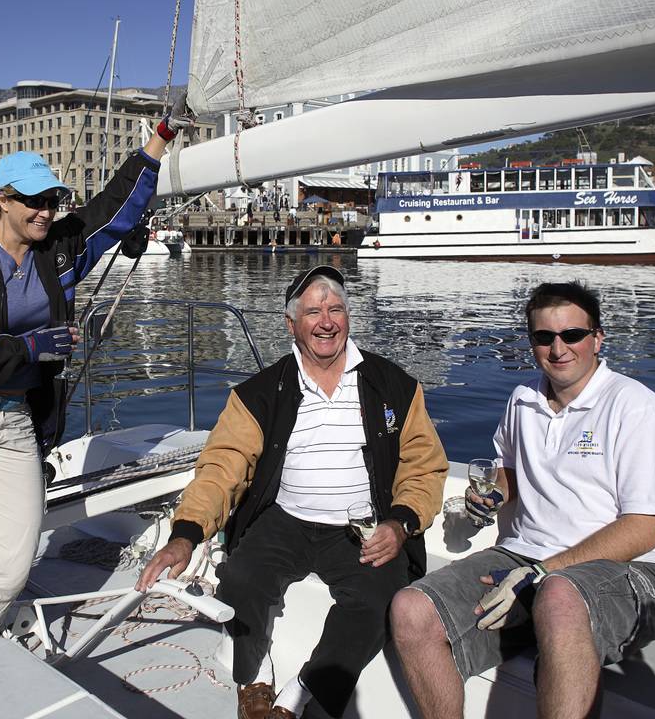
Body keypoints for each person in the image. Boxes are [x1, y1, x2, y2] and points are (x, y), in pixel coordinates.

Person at [0, 98, 194, 652]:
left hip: (15, 422)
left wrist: (162, 135)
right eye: (32, 201)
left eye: (51, 200)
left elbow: (113, 210)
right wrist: (25, 347)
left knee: (10, 561)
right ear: (1, 202)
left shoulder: (56, 254)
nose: (44, 211)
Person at [137, 265, 448, 719]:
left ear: (349, 316)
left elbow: (424, 467)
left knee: (382, 597)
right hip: (285, 519)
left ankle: (302, 693)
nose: (327, 321)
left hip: (361, 524)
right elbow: (223, 468)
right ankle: (254, 676)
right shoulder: (259, 394)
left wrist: (400, 524)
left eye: (336, 309)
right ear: (291, 324)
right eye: (314, 311)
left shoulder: (394, 386)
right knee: (242, 579)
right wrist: (186, 533)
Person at [391, 282, 655, 719]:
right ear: (532, 343)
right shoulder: (523, 399)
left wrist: (543, 573)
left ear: (597, 338)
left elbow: (645, 528)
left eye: (572, 335)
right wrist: (492, 495)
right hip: (526, 560)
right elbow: (508, 471)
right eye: (544, 337)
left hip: (634, 573)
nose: (558, 348)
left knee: (560, 598)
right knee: (410, 609)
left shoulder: (635, 408)